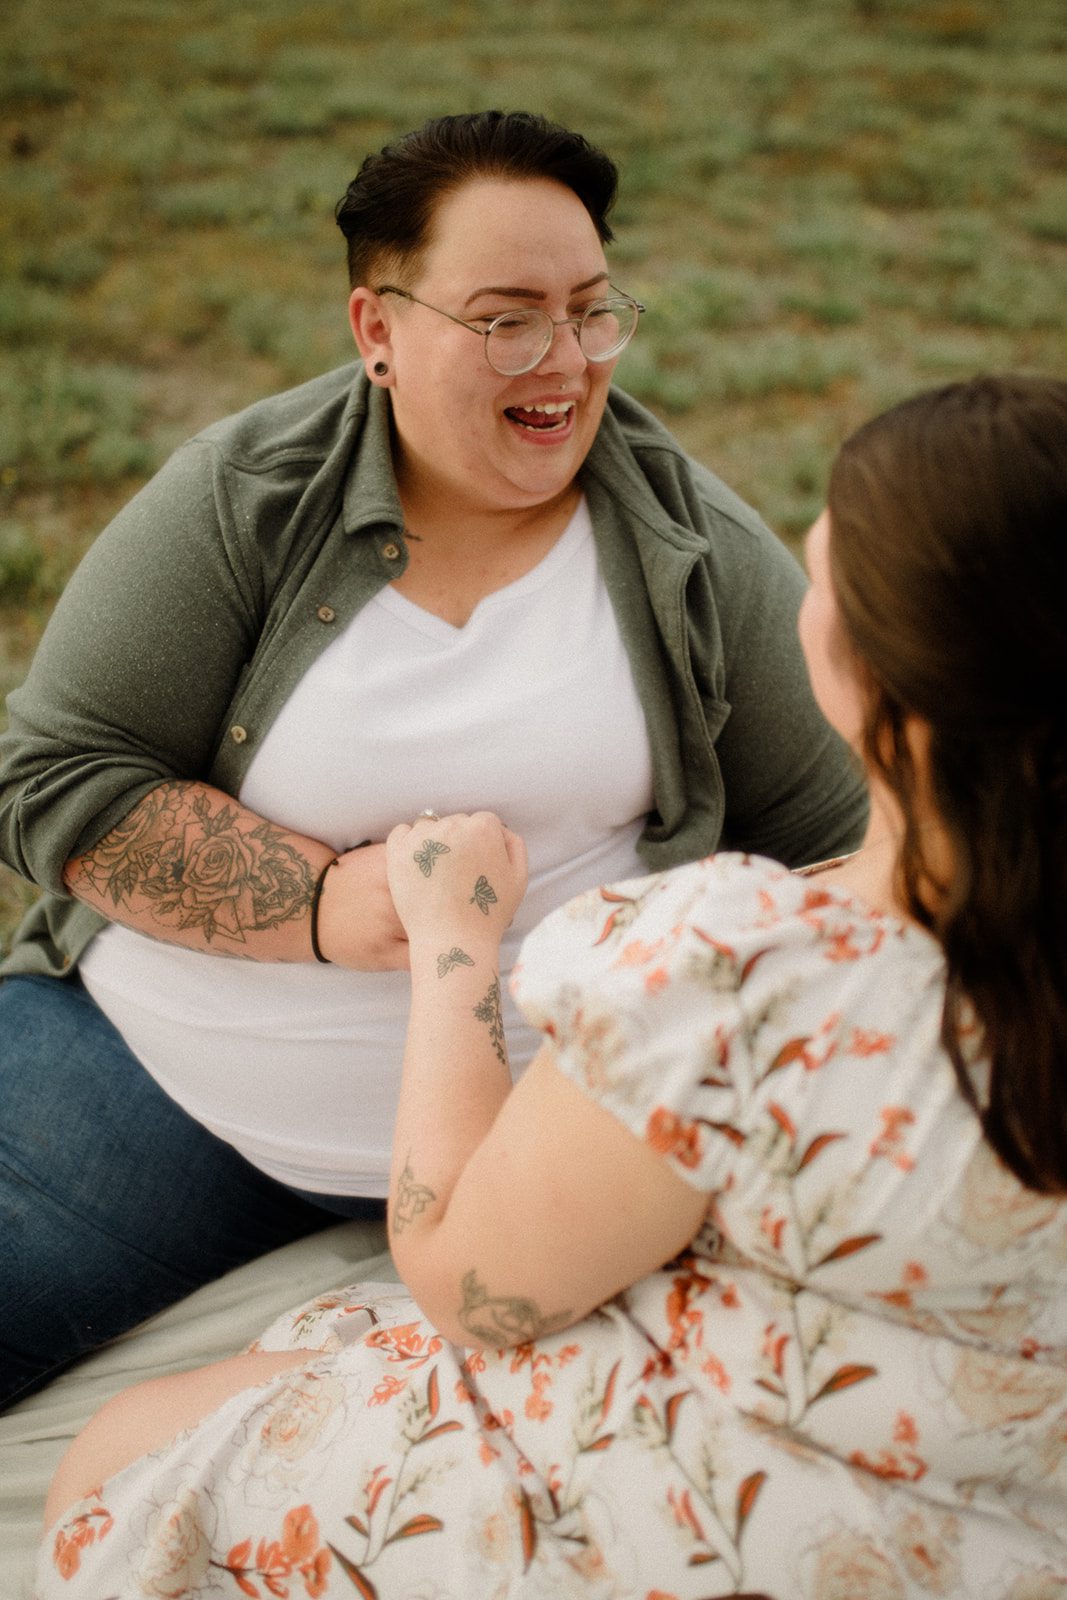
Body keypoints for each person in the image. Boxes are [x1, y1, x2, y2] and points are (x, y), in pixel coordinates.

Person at [34, 374, 1067, 1598]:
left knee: (115, 1461)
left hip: (704, 1517)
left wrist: (452, 939)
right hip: (995, 1510)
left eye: (822, 588)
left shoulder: (732, 979)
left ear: (871, 686)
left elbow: (471, 1288)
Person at [0, 109, 866, 1409]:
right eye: (505, 317)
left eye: (589, 310)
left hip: (540, 1165)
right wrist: (327, 905)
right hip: (164, 1087)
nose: (564, 361)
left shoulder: (694, 548)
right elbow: (57, 776)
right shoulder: (241, 500)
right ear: (376, 332)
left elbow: (834, 837)